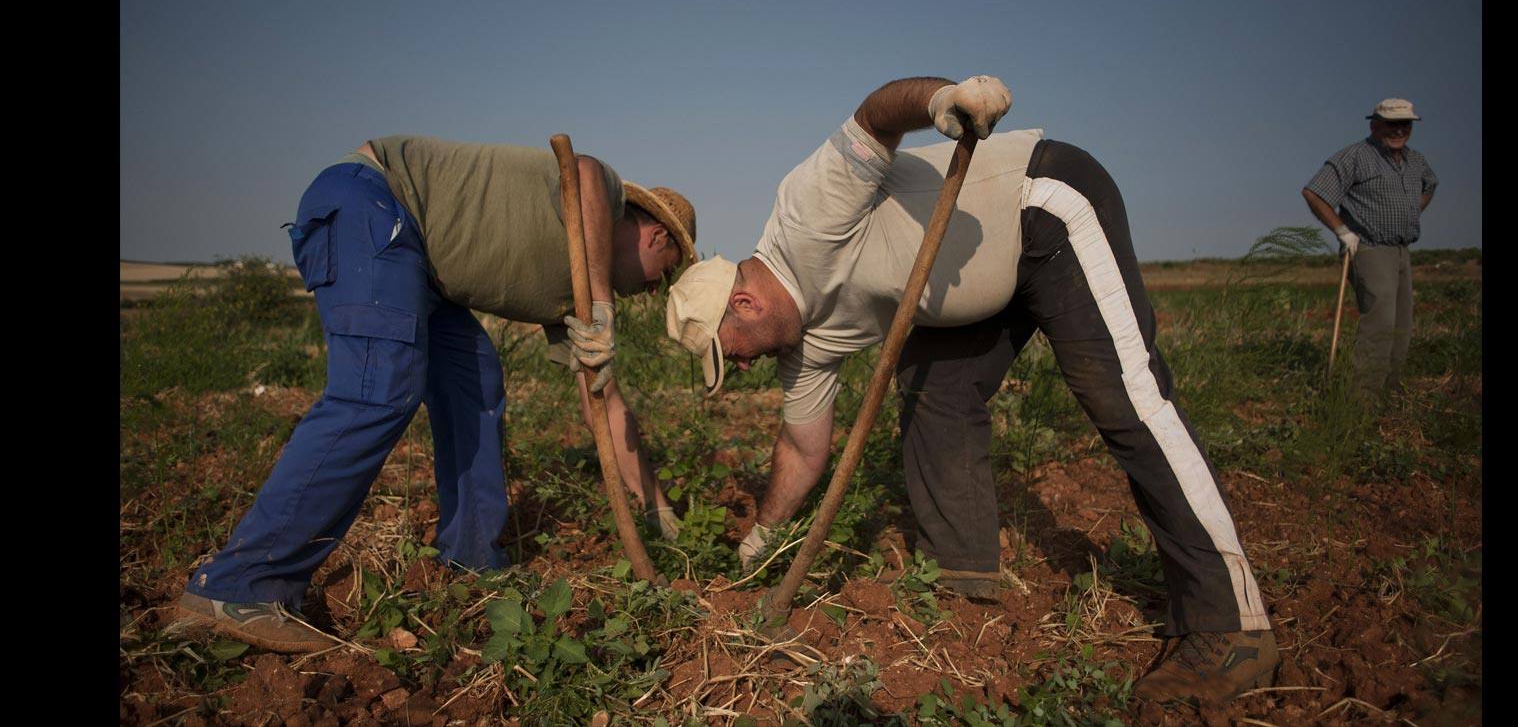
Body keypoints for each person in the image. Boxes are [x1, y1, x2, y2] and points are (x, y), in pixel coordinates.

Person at [663, 76, 1277, 703]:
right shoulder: (802, 345)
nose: (739, 368)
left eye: (727, 353)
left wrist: (940, 101)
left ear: (743, 302)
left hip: (1042, 209)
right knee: (934, 391)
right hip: (968, 299)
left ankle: (1231, 624)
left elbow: (875, 118)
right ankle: (962, 576)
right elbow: (800, 449)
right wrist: (760, 540)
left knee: (1125, 395)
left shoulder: (805, 213)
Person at [175, 136, 696, 653]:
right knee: (377, 391)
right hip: (377, 205)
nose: (655, 291)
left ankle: (471, 561)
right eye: (665, 274)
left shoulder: (572, 291)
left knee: (474, 386)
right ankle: (238, 585)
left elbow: (602, 400)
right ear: (654, 237)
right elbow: (579, 168)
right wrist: (603, 303)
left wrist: (654, 505)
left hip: (422, 266)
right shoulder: (597, 195)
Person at [1302, 99, 1438, 401]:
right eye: (1392, 124)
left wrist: (1411, 212)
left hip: (1402, 249)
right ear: (1375, 125)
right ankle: (1363, 402)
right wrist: (1342, 231)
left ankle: (1388, 397)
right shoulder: (1356, 156)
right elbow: (1314, 192)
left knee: (1401, 327)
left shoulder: (1415, 161)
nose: (1399, 130)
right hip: (1369, 249)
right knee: (1379, 325)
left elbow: (1430, 185)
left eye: (1405, 124)